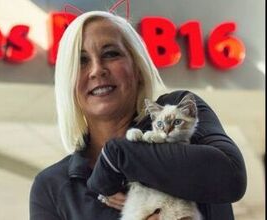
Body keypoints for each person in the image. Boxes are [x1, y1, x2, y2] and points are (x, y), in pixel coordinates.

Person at [29, 11, 247, 220]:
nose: (97, 70)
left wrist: (116, 157)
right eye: (82, 61)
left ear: (138, 69)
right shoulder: (51, 187)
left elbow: (230, 176)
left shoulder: (178, 110)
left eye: (110, 54)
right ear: (68, 83)